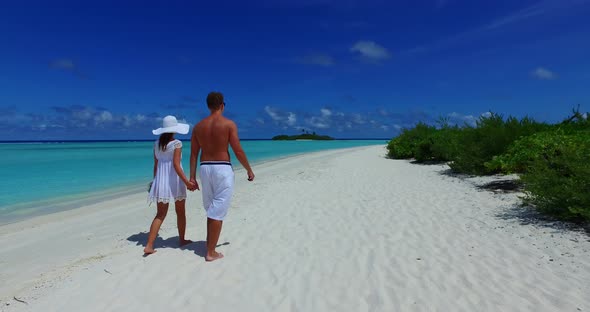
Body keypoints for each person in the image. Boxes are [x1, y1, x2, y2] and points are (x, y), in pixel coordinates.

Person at [189, 91, 255, 262]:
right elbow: (237, 150)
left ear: (208, 105)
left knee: (212, 208)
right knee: (217, 210)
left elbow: (194, 154)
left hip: (204, 168)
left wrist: (192, 177)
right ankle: (211, 252)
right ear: (222, 105)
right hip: (222, 168)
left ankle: (209, 243)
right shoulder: (228, 124)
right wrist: (248, 169)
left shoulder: (198, 127)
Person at [144, 115, 196, 255]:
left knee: (160, 214)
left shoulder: (157, 144)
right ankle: (182, 240)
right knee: (180, 212)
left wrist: (155, 183)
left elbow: (156, 165)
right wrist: (187, 182)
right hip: (176, 180)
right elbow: (176, 165)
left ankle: (149, 245)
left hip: (161, 180)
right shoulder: (176, 143)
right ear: (174, 129)